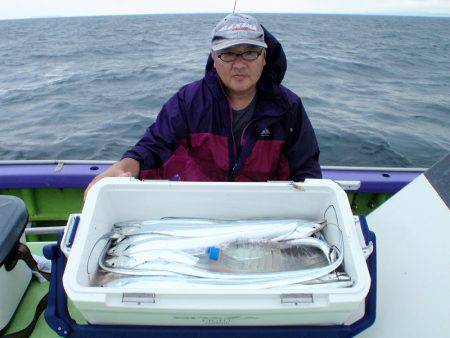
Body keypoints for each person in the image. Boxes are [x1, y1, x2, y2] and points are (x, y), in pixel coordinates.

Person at [84, 13, 321, 199]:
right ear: (214, 60)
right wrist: (124, 167)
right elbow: (154, 147)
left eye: (250, 53)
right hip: (198, 208)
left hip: (264, 212)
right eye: (228, 54)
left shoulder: (289, 108)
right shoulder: (188, 101)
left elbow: (306, 170)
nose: (239, 64)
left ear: (264, 57)